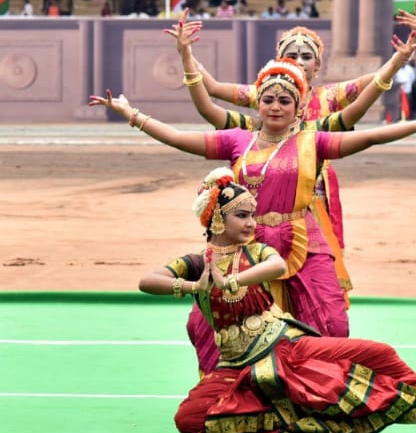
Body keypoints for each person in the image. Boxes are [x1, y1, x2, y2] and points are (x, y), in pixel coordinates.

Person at [90, 57, 416, 374]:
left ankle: (322, 386)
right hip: (245, 244)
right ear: (258, 104)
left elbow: (372, 136)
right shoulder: (237, 140)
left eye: (285, 100)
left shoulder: (312, 142)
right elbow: (177, 138)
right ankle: (237, 385)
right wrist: (131, 115)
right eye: (269, 99)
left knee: (329, 320)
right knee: (210, 321)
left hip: (304, 242)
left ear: (298, 107)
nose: (276, 106)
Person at [145, 167, 416, 433]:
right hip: (237, 364)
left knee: (379, 353)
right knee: (189, 419)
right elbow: (148, 280)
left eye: (252, 215)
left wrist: (230, 281)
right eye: (241, 216)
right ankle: (291, 416)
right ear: (217, 218)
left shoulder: (258, 252)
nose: (251, 223)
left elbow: (276, 266)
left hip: (285, 345)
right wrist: (194, 286)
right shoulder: (196, 263)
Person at [172, 16, 416, 310]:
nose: (299, 60)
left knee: (319, 266)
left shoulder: (330, 98)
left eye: (306, 56)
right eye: (291, 55)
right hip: (262, 190)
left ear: (318, 64)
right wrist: (185, 53)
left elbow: (373, 88)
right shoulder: (266, 96)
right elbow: (210, 95)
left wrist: (400, 59)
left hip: (314, 192)